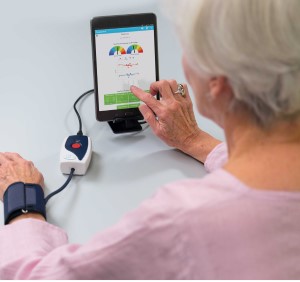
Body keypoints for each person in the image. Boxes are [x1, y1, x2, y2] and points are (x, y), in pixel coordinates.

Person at [1, 0, 300, 279]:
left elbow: (36, 277)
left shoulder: (178, 220)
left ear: (217, 86)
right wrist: (195, 140)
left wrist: (23, 203)